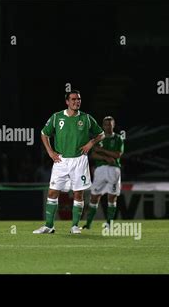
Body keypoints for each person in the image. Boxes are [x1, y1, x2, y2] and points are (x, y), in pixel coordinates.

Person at [33, 90, 104, 234]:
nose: (76, 102)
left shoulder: (86, 118)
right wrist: (50, 152)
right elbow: (43, 134)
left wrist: (91, 143)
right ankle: (49, 226)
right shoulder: (57, 117)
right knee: (52, 192)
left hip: (79, 160)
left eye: (78, 99)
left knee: (78, 194)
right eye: (73, 99)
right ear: (67, 102)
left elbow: (101, 134)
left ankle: (74, 226)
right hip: (61, 161)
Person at [82, 116, 124, 230]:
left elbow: (118, 155)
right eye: (106, 124)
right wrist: (106, 158)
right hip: (100, 170)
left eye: (110, 125)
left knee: (112, 197)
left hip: (114, 170)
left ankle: (109, 224)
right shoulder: (99, 138)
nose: (108, 127)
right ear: (103, 126)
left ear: (113, 125)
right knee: (94, 197)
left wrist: (102, 151)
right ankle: (88, 224)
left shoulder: (118, 138)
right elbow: (93, 154)